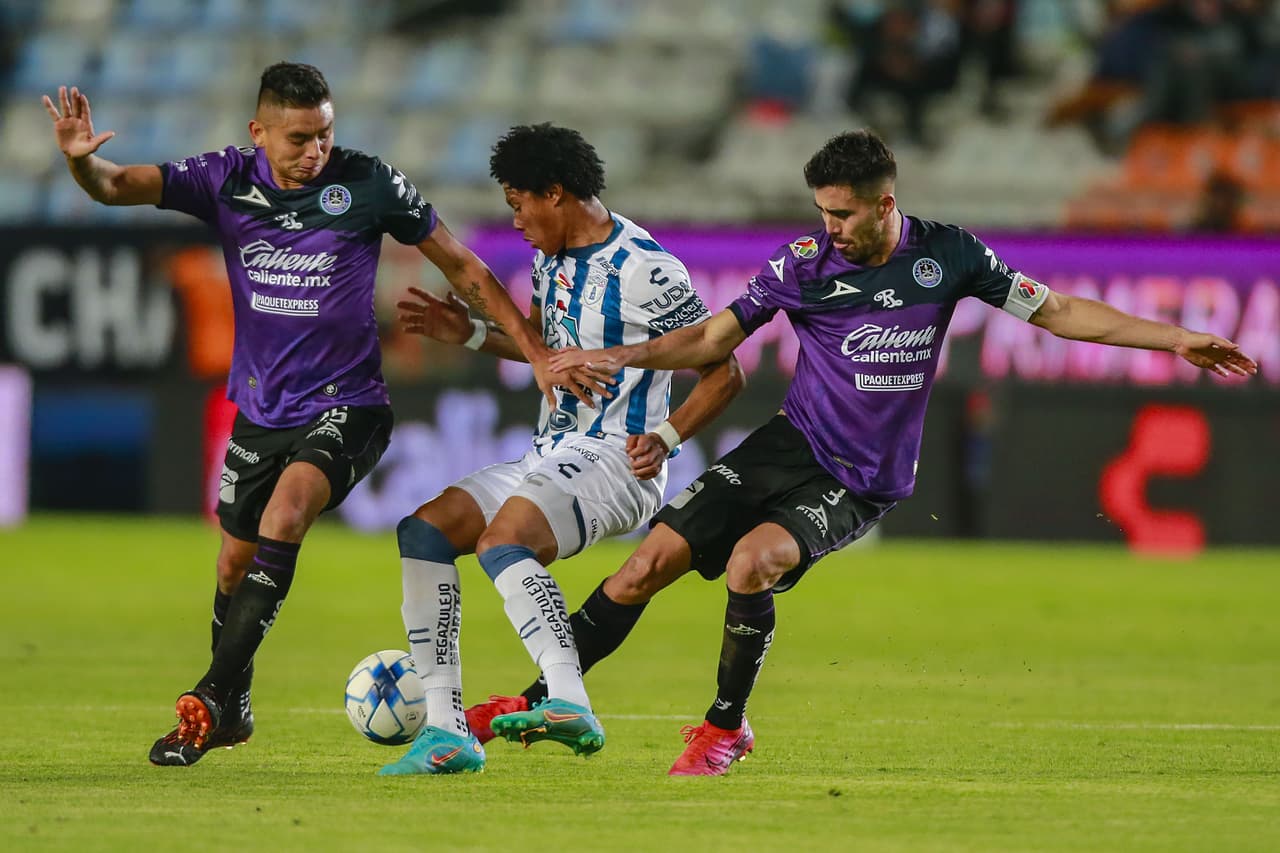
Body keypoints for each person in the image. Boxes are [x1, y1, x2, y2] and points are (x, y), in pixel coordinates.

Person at [475, 128, 1255, 777]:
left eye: (843, 215)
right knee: (643, 567)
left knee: (753, 563)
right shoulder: (804, 266)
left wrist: (1175, 336)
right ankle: (544, 694)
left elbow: (1061, 313)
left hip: (863, 475)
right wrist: (625, 356)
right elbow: (714, 339)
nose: (831, 229)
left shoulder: (948, 257)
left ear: (886, 203)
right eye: (822, 213)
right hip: (789, 444)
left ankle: (725, 727)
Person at [42, 64, 596, 767]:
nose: (316, 151)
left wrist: (537, 352)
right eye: (300, 138)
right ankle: (235, 706)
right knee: (234, 561)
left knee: (287, 511)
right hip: (261, 408)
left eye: (325, 135)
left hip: (350, 404)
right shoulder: (224, 178)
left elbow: (463, 267)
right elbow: (118, 186)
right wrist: (81, 163)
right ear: (260, 132)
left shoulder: (368, 182)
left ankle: (209, 697)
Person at [378, 123, 743, 775]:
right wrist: (471, 335)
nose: (515, 220)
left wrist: (665, 437)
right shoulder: (552, 257)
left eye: (519, 203)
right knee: (425, 530)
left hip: (613, 460)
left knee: (501, 540)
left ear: (554, 194)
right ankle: (444, 730)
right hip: (548, 450)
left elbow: (726, 370)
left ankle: (569, 700)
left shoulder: (645, 269)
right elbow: (549, 352)